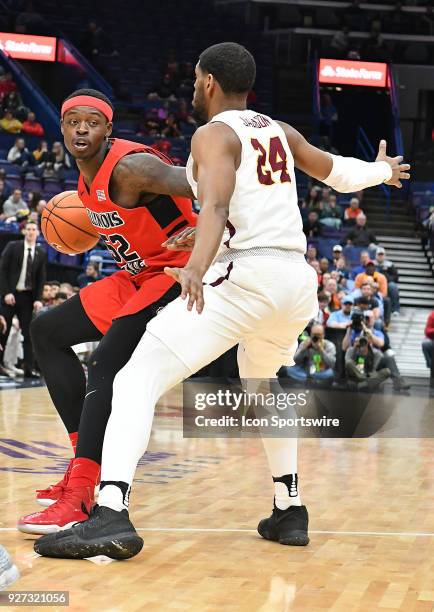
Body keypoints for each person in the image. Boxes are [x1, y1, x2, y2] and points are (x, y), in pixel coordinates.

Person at [33, 42, 410, 560]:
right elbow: (337, 173)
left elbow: (212, 204)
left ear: (207, 81)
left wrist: (196, 262)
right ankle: (288, 507)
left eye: (194, 79)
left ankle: (110, 514)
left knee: (132, 378)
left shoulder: (212, 133)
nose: (192, 88)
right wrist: (382, 171)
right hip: (296, 282)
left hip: (246, 277)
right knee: (262, 385)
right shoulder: (279, 129)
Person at [17, 88, 197, 534]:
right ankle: (83, 467)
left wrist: (217, 229)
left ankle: (81, 496)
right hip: (133, 276)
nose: (82, 128)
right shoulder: (83, 179)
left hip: (172, 275)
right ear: (62, 126)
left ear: (109, 129)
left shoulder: (132, 167)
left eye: (92, 122)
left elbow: (199, 180)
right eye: (73, 120)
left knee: (104, 366)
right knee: (46, 332)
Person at [0, 221, 47, 377]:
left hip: (27, 297)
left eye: (34, 229)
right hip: (10, 295)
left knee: (28, 333)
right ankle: (0, 364)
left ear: (38, 233)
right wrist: (6, 292)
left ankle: (29, 368)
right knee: (3, 330)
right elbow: (2, 270)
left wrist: (38, 299)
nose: (31, 232)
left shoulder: (41, 252)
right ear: (24, 231)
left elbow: (41, 278)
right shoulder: (13, 247)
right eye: (28, 229)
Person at [375, 246, 400, 317]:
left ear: (384, 255)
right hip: (375, 283)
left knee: (393, 286)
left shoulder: (390, 264)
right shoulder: (372, 264)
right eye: (379, 255)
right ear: (376, 255)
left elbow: (396, 277)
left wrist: (387, 279)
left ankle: (395, 309)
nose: (380, 256)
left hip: (387, 283)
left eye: (382, 255)